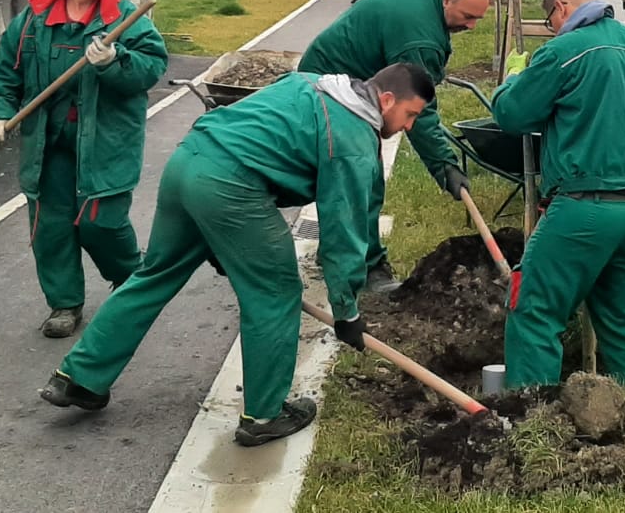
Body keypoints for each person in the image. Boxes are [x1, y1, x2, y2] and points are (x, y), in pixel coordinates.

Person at [38, 64, 434, 447]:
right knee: (275, 294)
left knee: (154, 274)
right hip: (231, 187)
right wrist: (346, 310)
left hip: (189, 159)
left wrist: (220, 242)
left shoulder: (313, 83)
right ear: (385, 99)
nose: (409, 125)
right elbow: (342, 232)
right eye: (410, 114)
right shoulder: (353, 140)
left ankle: (78, 379)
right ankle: (264, 416)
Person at [0, 0, 168, 339]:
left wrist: (115, 59)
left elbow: (152, 68)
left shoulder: (123, 18)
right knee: (50, 224)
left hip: (105, 141)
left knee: (101, 222)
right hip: (47, 142)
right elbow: (5, 73)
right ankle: (64, 304)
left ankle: (132, 281)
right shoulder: (34, 18)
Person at [490, 0, 625, 392]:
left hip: (584, 207)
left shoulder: (564, 52)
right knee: (623, 320)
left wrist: (515, 77)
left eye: (551, 20)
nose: (553, 28)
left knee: (534, 309)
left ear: (563, 8)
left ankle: (534, 426)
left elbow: (513, 115)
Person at [297, 0, 491, 293]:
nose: (472, 26)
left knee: (348, 176)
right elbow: (420, 113)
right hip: (332, 89)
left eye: (478, 18)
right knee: (362, 178)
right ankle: (367, 267)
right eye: (468, 16)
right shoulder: (419, 40)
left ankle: (336, 251)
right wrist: (445, 166)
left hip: (338, 75)